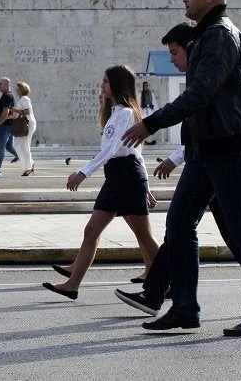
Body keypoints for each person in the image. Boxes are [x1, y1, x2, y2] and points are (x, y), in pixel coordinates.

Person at [121, 0, 241, 338]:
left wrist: (152, 123)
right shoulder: (207, 36)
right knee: (178, 225)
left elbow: (205, 93)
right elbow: (240, 94)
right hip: (205, 148)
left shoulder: (221, 35)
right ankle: (184, 308)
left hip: (225, 146)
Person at [42, 65, 159, 301]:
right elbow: (127, 151)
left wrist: (83, 173)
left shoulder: (126, 113)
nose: (101, 86)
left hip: (126, 177)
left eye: (105, 82)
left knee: (144, 237)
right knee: (91, 230)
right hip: (117, 177)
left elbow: (117, 151)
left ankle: (171, 278)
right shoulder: (116, 114)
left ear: (116, 84)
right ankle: (72, 284)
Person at [9, 81, 37, 176]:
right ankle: (30, 164)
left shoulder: (25, 98)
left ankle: (28, 168)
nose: (16, 89)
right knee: (17, 145)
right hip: (24, 124)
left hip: (28, 124)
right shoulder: (21, 99)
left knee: (24, 146)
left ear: (23, 89)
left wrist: (15, 110)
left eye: (18, 88)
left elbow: (27, 111)